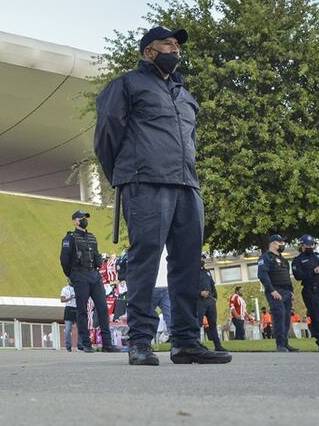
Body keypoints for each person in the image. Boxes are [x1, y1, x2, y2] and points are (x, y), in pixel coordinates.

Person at [95, 26, 230, 366]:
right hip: (145, 182)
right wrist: (125, 175)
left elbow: (190, 142)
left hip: (187, 185)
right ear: (148, 51)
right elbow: (107, 135)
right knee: (145, 261)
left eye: (177, 45)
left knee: (188, 263)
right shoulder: (127, 85)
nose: (175, 50)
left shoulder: (185, 95)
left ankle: (185, 342)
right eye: (167, 44)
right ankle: (140, 340)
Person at [60, 211, 119, 354]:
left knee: (103, 309)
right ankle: (86, 344)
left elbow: (97, 255)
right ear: (75, 221)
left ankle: (107, 344)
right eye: (82, 218)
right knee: (82, 311)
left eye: (85, 218)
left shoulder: (92, 237)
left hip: (94, 275)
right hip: (79, 275)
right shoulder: (69, 238)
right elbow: (64, 260)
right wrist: (71, 275)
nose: (84, 220)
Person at [257, 235, 298, 353]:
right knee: (279, 316)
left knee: (286, 318)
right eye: (280, 243)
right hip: (275, 291)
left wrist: (291, 291)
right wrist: (272, 290)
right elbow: (263, 275)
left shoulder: (283, 260)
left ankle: (285, 344)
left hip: (286, 292)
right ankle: (280, 345)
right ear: (273, 244)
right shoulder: (265, 258)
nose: (282, 245)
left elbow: (287, 277)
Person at [197, 254, 227, 352]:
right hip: (199, 301)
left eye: (203, 258)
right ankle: (196, 345)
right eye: (201, 258)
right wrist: (199, 293)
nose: (202, 260)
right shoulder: (192, 273)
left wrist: (215, 297)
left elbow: (212, 285)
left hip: (210, 301)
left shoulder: (207, 272)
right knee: (198, 323)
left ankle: (218, 345)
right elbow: (188, 287)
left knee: (213, 323)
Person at [60, 281, 78, 351]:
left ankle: (80, 345)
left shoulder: (79, 287)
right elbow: (62, 300)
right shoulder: (65, 289)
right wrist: (70, 298)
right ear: (68, 281)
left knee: (80, 328)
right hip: (69, 308)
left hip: (78, 307)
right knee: (68, 329)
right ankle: (68, 346)